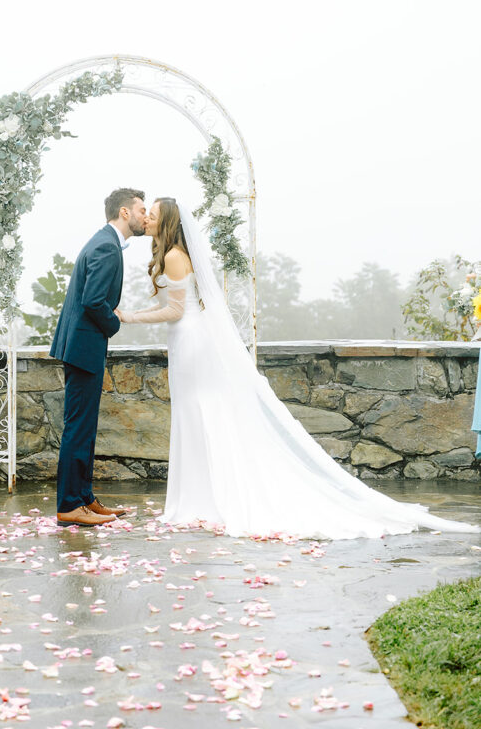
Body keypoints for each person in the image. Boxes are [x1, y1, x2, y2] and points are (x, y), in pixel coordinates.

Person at [117, 198, 479, 539]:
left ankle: (204, 498)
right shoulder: (169, 253)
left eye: (153, 213)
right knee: (192, 414)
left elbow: (177, 311)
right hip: (184, 341)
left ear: (168, 221)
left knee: (199, 412)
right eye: (145, 213)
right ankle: (199, 496)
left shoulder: (177, 256)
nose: (146, 217)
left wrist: (128, 317)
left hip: (191, 340)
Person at [50, 188, 146, 527]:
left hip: (81, 345)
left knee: (85, 427)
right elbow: (93, 301)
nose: (144, 216)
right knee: (78, 427)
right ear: (124, 212)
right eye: (141, 210)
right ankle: (69, 505)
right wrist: (115, 322)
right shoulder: (106, 246)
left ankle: (85, 498)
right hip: (84, 345)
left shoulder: (104, 241)